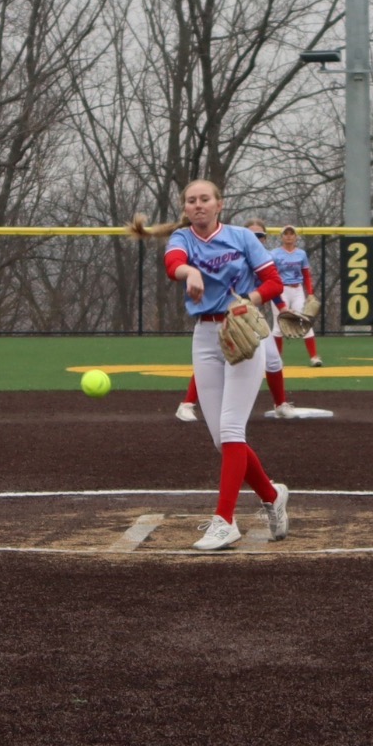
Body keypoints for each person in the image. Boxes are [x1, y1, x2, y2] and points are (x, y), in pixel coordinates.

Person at [133, 182, 291, 551]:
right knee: (223, 440)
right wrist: (190, 274)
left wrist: (247, 300)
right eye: (192, 200)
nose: (198, 205)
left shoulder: (241, 237)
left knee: (232, 430)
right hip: (205, 337)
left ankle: (225, 522)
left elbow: (273, 282)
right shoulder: (182, 239)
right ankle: (271, 495)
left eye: (205, 199)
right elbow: (173, 264)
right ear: (185, 208)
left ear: (220, 204)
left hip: (242, 331)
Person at [174, 219, 308, 422]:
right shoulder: (234, 256)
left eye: (260, 236)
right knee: (214, 360)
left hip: (251, 318)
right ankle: (187, 404)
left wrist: (283, 309)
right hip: (226, 318)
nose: (257, 239)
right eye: (252, 235)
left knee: (273, 360)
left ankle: (280, 405)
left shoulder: (264, 258)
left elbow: (272, 285)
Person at [270, 226, 322, 367]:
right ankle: (277, 360)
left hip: (297, 289)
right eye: (285, 234)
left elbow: (306, 274)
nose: (288, 236)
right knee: (279, 324)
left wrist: (310, 292)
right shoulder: (274, 254)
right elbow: (270, 274)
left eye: (291, 234)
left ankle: (314, 357)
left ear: (295, 237)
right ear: (281, 237)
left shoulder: (301, 254)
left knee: (305, 322)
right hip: (281, 290)